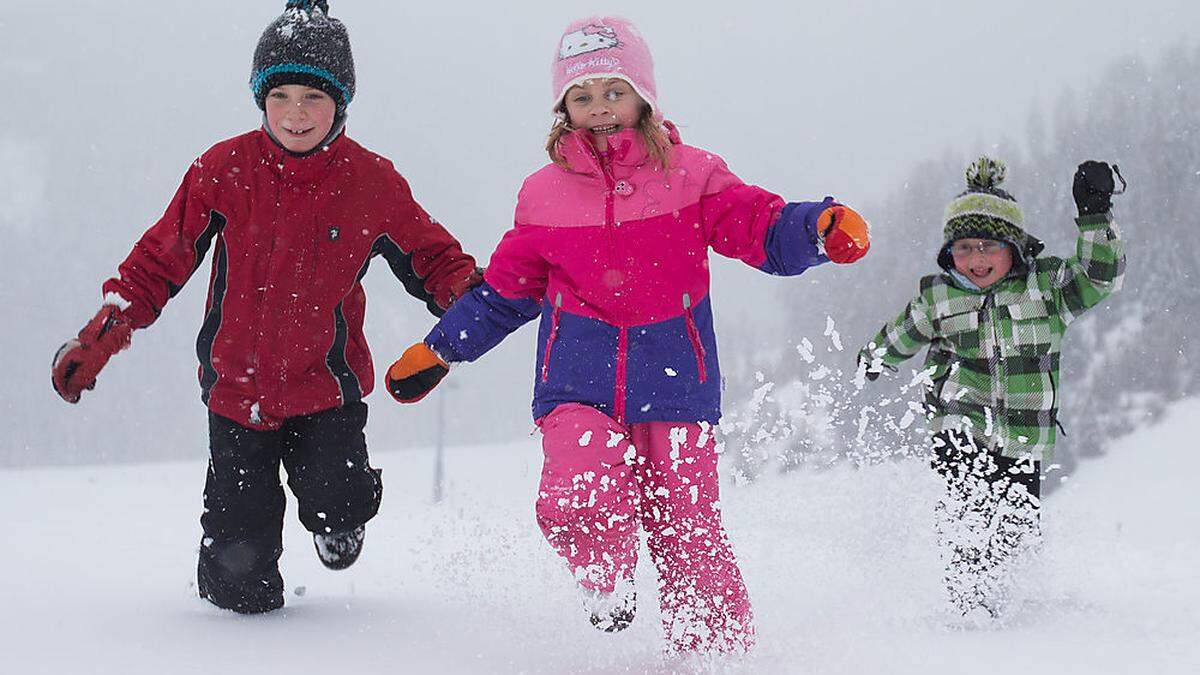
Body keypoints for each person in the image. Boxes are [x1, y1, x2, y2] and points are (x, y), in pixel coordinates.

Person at [384, 16, 870, 653]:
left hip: (677, 386)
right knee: (576, 492)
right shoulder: (543, 195)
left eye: (613, 92)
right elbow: (506, 292)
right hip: (575, 384)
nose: (600, 110)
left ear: (643, 97)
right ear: (563, 110)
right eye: (581, 98)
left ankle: (714, 659)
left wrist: (816, 229)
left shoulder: (692, 176)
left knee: (690, 531)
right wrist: (440, 348)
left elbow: (758, 225)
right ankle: (607, 580)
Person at [49, 0, 480, 614]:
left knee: (340, 497)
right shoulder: (222, 171)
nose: (296, 113)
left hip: (326, 390)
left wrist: (472, 300)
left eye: (314, 95)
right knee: (235, 579)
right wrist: (98, 341)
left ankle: (341, 518)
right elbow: (155, 264)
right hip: (235, 392)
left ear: (342, 102)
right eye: (280, 95)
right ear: (260, 99)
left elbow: (433, 257)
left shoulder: (371, 183)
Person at [858, 156, 1125, 619]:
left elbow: (1101, 278)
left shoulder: (1046, 289)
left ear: (1015, 248)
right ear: (949, 252)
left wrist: (1095, 215)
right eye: (963, 247)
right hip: (960, 421)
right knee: (968, 512)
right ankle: (969, 600)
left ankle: (1013, 603)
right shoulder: (940, 295)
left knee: (1015, 525)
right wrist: (876, 357)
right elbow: (907, 329)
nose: (976, 260)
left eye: (989, 246)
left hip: (1024, 435)